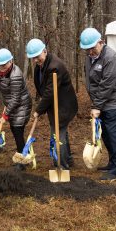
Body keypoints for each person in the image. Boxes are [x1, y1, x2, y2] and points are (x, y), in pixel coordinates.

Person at [80, 27, 116, 181]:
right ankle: (112, 163)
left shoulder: (110, 57)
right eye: (87, 50)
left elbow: (107, 85)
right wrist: (96, 104)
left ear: (101, 42)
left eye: (92, 48)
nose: (90, 52)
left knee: (115, 136)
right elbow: (91, 81)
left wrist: (96, 106)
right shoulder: (90, 57)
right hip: (102, 102)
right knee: (106, 135)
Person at [26, 38, 77, 169]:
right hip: (53, 105)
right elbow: (42, 89)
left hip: (64, 105)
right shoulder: (40, 67)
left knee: (58, 134)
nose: (36, 60)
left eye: (37, 57)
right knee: (61, 133)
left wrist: (38, 110)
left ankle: (62, 165)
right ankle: (68, 160)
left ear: (44, 51)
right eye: (33, 58)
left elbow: (49, 92)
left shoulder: (55, 66)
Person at [0, 48, 32, 170]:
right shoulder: (2, 72)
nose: (1, 67)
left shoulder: (15, 75)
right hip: (12, 104)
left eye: (4, 65)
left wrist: (5, 115)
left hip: (22, 105)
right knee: (15, 130)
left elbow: (15, 98)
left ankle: (22, 162)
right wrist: (7, 106)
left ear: (11, 61)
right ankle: (25, 155)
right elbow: (9, 94)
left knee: (17, 130)